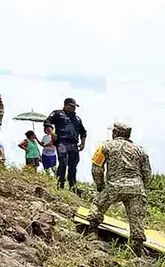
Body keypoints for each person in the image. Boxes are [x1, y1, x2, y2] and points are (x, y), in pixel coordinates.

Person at [85, 123, 151, 256]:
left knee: (98, 204)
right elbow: (147, 173)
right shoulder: (140, 150)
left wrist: (100, 185)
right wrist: (142, 187)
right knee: (136, 217)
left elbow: (96, 168)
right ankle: (137, 246)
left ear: (115, 133)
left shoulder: (105, 146)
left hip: (114, 186)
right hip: (136, 188)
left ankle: (92, 231)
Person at [44, 98, 87, 191]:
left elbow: (83, 132)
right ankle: (60, 185)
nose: (73, 108)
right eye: (72, 106)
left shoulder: (77, 119)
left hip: (74, 144)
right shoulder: (57, 113)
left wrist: (83, 144)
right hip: (62, 142)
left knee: (73, 165)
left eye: (74, 107)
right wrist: (52, 133)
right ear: (66, 105)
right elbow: (47, 122)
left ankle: (73, 187)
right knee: (63, 162)